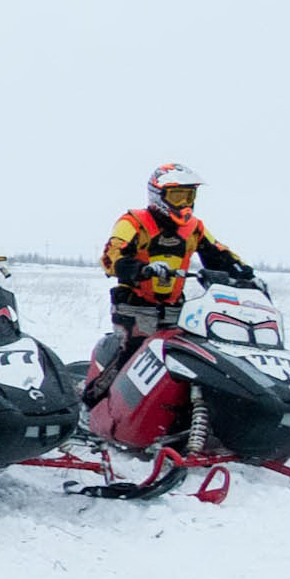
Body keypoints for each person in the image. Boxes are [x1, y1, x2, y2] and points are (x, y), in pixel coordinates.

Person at [86, 163, 256, 401]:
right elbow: (111, 256)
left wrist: (244, 273)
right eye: (177, 196)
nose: (184, 203)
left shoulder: (194, 227)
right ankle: (91, 402)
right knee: (133, 357)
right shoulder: (134, 221)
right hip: (136, 305)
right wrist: (141, 269)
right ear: (158, 195)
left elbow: (218, 253)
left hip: (177, 308)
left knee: (183, 360)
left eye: (189, 196)